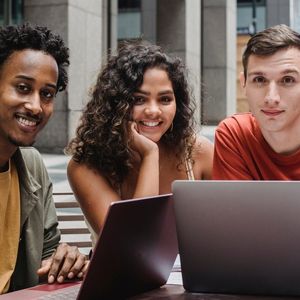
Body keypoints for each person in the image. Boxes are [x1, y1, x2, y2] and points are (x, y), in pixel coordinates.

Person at [66, 41, 213, 244]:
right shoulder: (87, 165)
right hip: (122, 274)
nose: (153, 111)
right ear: (115, 103)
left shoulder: (198, 152)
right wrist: (150, 155)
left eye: (165, 99)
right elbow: (134, 245)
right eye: (138, 100)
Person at [0, 23, 88, 294]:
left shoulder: (33, 166)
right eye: (23, 88)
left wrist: (65, 260)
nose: (36, 106)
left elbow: (47, 256)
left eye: (47, 94)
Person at [212, 24, 300, 180]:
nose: (271, 98)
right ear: (243, 83)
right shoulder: (235, 134)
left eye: (287, 80)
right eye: (259, 80)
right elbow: (235, 205)